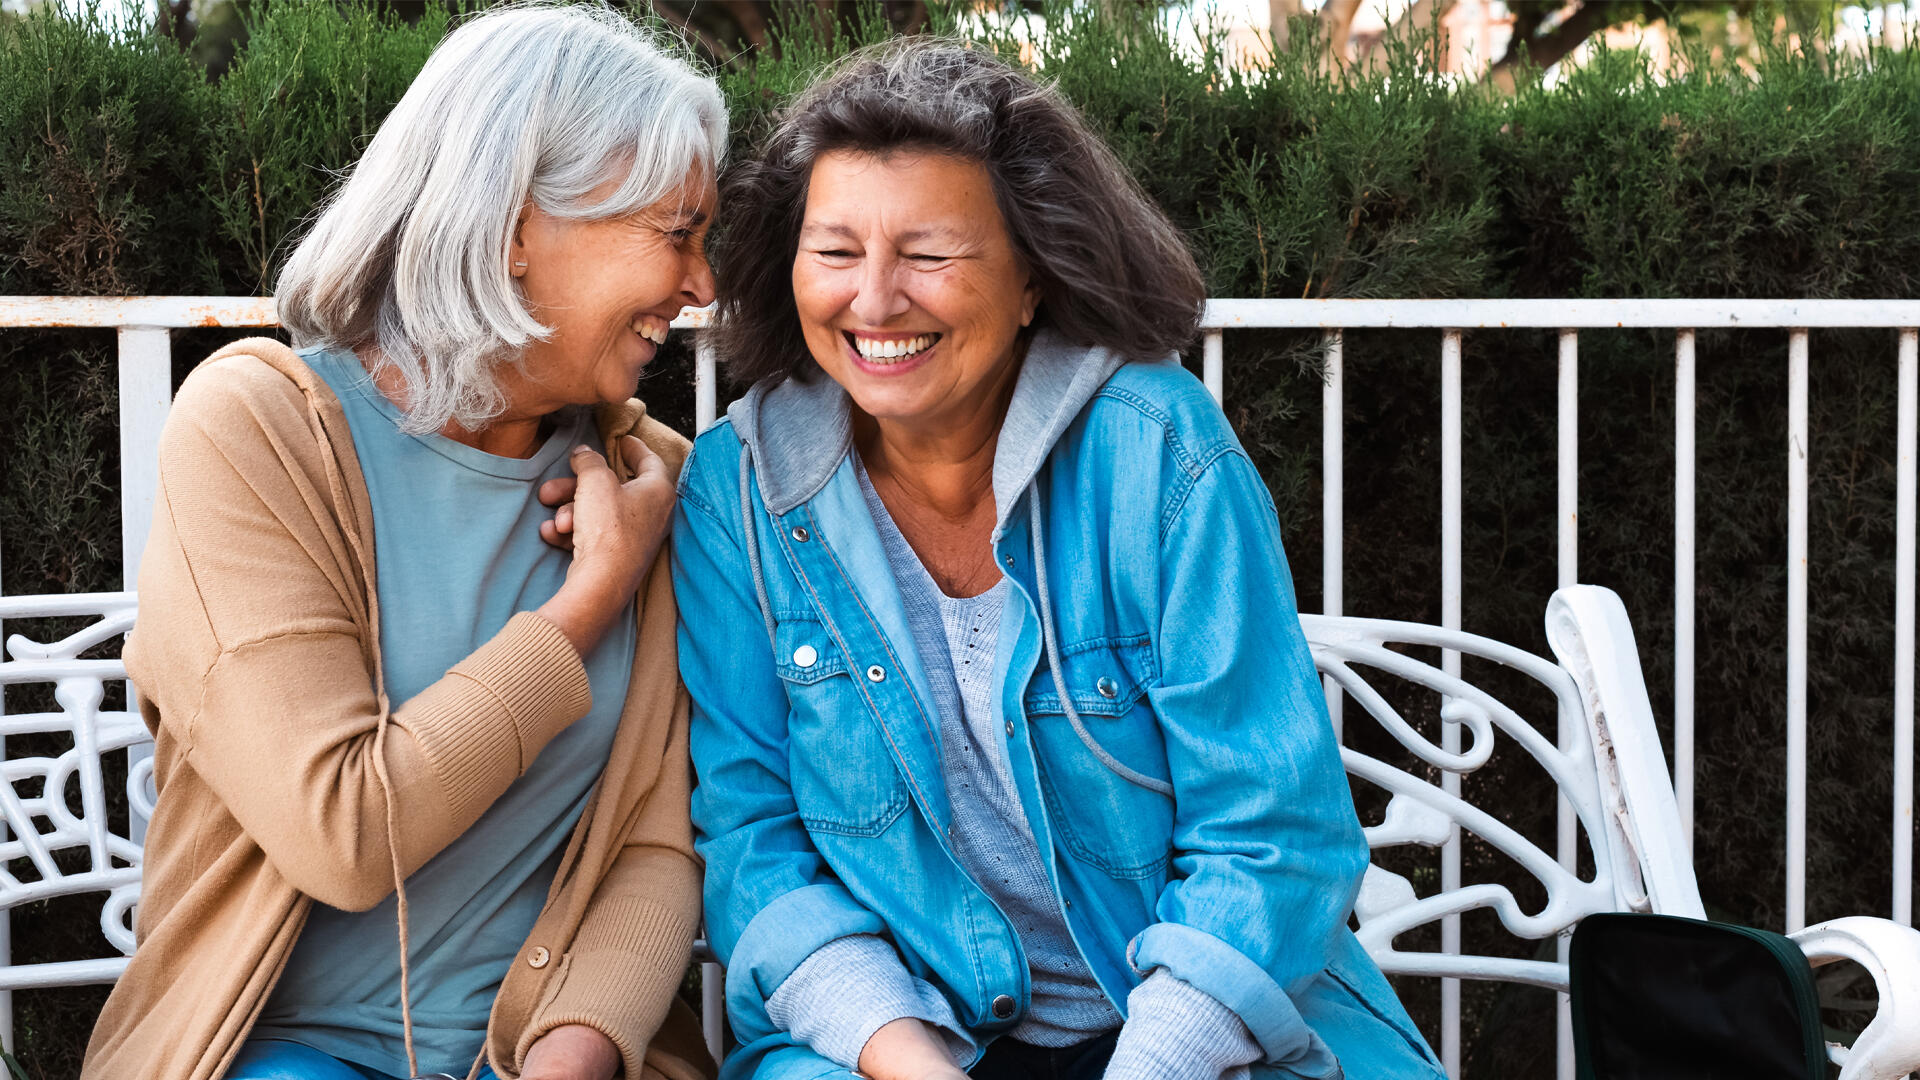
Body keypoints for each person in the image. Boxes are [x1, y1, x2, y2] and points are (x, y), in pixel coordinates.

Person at [673, 40, 1446, 1080]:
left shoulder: (1157, 450)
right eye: (836, 250)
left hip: (1190, 1036)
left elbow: (1271, 839)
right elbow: (757, 847)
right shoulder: (737, 493)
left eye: (930, 253)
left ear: (1033, 277)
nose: (876, 298)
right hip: (899, 1040)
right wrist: (913, 1064)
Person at [84, 7, 724, 1080]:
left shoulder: (645, 472)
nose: (703, 284)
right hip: (278, 1052)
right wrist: (587, 603)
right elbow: (343, 832)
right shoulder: (262, 431)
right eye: (677, 233)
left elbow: (657, 845)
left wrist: (574, 1060)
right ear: (517, 229)